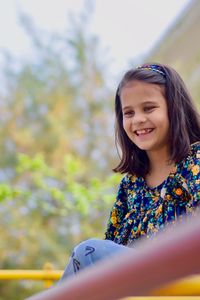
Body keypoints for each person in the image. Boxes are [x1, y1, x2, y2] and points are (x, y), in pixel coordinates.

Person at [59, 63, 200, 282]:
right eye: (129, 113)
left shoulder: (196, 162)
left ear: (174, 107)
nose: (138, 120)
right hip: (138, 289)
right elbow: (112, 249)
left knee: (88, 252)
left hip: (183, 282)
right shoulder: (131, 184)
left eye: (149, 108)